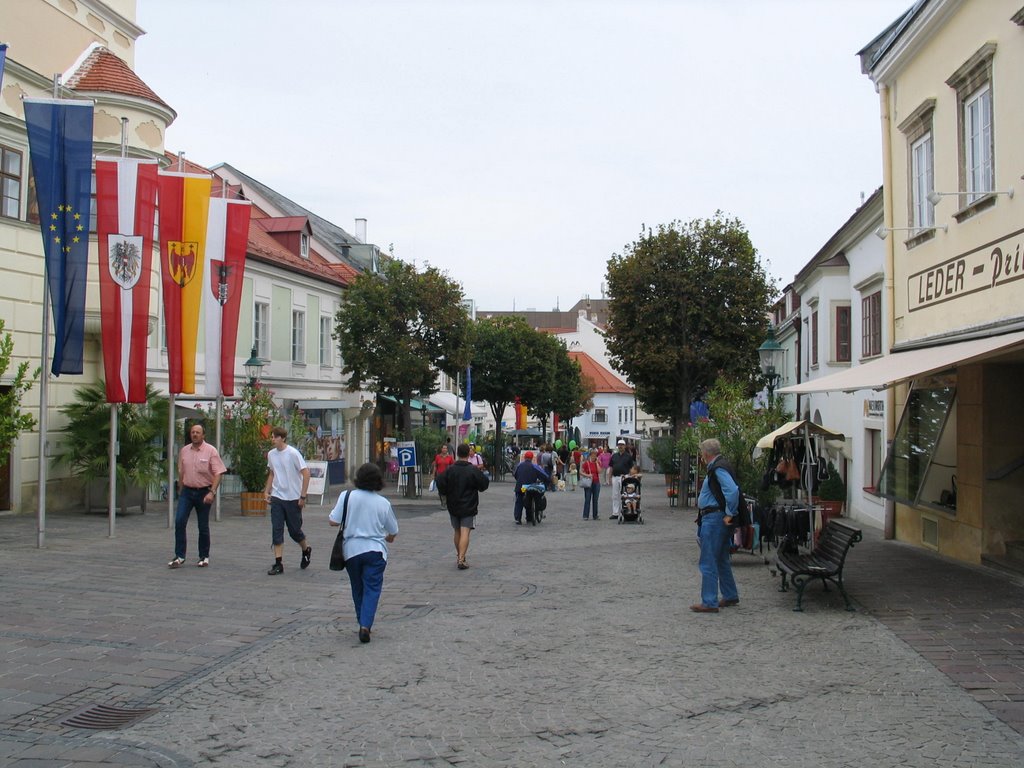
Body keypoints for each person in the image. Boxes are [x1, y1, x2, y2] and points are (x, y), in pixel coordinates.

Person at [328, 463, 399, 643]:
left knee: (357, 587)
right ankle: (365, 625)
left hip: (351, 550)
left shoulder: (347, 496)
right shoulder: (383, 503)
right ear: (378, 481)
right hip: (375, 551)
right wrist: (388, 537)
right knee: (372, 588)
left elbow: (333, 521)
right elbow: (393, 530)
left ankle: (362, 621)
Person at [691, 438, 740, 613]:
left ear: (705, 454)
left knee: (709, 559)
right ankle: (730, 594)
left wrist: (729, 513)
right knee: (720, 559)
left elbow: (732, 490)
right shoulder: (721, 465)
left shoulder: (717, 468)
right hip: (715, 517)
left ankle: (709, 601)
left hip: (714, 518)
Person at [169, 423, 226, 568]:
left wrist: (212, 492)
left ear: (203, 435)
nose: (194, 434)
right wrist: (181, 490)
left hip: (204, 492)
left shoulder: (211, 451)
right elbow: (181, 471)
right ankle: (180, 555)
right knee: (180, 521)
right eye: (193, 432)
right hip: (187, 492)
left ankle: (204, 556)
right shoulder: (184, 451)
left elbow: (218, 473)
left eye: (198, 432)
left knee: (203, 526)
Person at [263, 426, 312, 576]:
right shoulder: (271, 454)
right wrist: (267, 491)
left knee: (294, 530)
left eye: (275, 437)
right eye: (272, 437)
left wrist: (302, 496)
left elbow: (306, 474)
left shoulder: (293, 453)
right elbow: (272, 473)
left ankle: (306, 549)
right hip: (278, 496)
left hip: (293, 497)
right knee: (276, 529)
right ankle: (278, 563)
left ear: (282, 438)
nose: (273, 439)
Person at [436, 443, 490, 569]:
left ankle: (459, 555)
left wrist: (445, 492)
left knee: (457, 531)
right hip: (469, 505)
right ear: (468, 454)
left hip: (453, 504)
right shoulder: (473, 470)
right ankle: (461, 558)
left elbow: (440, 481)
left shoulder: (450, 469)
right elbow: (484, 484)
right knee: (465, 531)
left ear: (458, 454)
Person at [512, 450, 549, 525]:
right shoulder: (534, 466)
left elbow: (515, 474)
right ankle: (529, 517)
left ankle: (517, 518)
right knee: (530, 498)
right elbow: (544, 475)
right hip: (530, 487)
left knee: (519, 501)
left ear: (524, 457)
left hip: (520, 487)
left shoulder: (519, 465)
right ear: (532, 458)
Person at [607, 439, 636, 520]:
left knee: (625, 494)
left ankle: (625, 510)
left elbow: (631, 468)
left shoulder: (628, 456)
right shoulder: (614, 456)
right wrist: (609, 478)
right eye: (619, 445)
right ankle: (615, 513)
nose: (620, 446)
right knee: (615, 495)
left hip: (625, 477)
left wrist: (632, 477)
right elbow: (611, 467)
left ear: (624, 446)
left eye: (622, 445)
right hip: (615, 477)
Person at [580, 449, 602, 520]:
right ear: (590, 455)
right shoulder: (586, 463)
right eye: (592, 455)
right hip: (589, 482)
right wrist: (587, 475)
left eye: (595, 455)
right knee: (587, 499)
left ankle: (595, 515)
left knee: (595, 500)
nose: (594, 456)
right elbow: (581, 472)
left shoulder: (597, 462)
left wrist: (597, 463)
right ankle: (585, 515)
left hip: (596, 482)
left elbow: (599, 471)